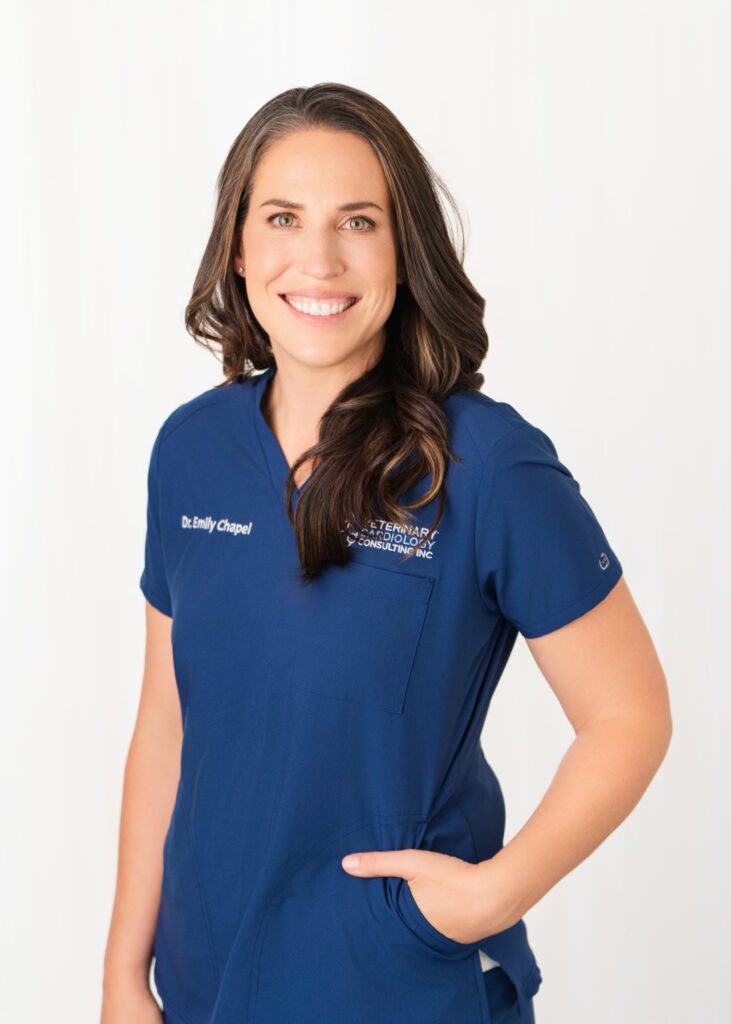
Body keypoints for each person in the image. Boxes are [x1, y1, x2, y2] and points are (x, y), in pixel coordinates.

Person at [100, 83, 672, 1024]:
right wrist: (126, 974)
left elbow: (629, 715)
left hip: (391, 983)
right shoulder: (192, 450)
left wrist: (495, 893)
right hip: (203, 975)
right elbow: (165, 722)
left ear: (403, 254)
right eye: (282, 217)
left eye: (357, 222)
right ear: (238, 246)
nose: (317, 259)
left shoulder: (485, 462)